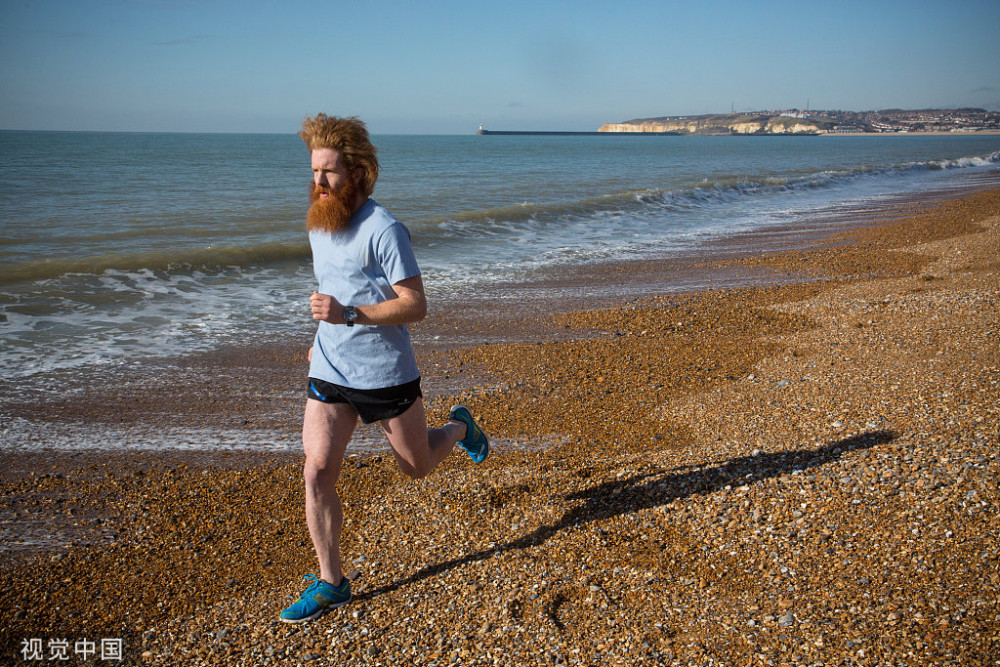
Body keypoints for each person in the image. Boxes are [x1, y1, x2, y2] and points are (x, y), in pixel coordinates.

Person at [279, 114, 490, 623]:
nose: (319, 183)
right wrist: (321, 336)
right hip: (330, 368)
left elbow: (415, 304)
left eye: (329, 173)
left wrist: (349, 316)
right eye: (313, 172)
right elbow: (331, 294)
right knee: (317, 471)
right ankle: (333, 583)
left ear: (357, 173)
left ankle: (460, 425)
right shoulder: (319, 225)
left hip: (386, 374)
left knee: (415, 466)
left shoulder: (384, 229)